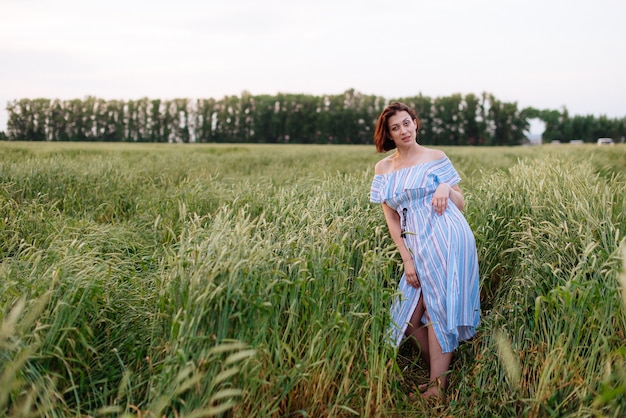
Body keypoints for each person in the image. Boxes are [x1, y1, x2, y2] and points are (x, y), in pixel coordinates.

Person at [369, 102, 480, 400]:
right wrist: (407, 257)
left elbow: (460, 202)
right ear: (389, 134)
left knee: (438, 309)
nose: (403, 130)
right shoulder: (384, 168)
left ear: (415, 123)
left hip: (447, 235)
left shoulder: (436, 157)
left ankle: (436, 387)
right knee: (406, 316)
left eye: (407, 123)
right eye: (395, 127)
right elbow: (391, 218)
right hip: (416, 242)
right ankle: (444, 371)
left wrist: (446, 188)